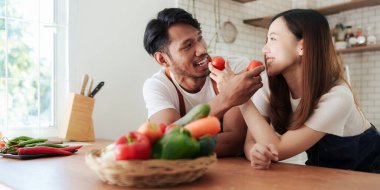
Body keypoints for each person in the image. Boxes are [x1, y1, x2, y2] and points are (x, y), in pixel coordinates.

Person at [209, 9, 380, 172]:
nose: (264, 49)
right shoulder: (268, 86)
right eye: (266, 40)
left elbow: (279, 148)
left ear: (302, 47)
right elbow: (251, 141)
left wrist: (242, 99)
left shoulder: (338, 97)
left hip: (367, 173)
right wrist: (255, 152)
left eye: (273, 39)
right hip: (324, 173)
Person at [142, 8, 264, 157]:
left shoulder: (233, 68)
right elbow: (166, 140)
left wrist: (182, 145)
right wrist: (228, 96)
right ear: (163, 59)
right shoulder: (158, 86)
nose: (202, 49)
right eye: (187, 45)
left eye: (199, 38)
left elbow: (234, 142)